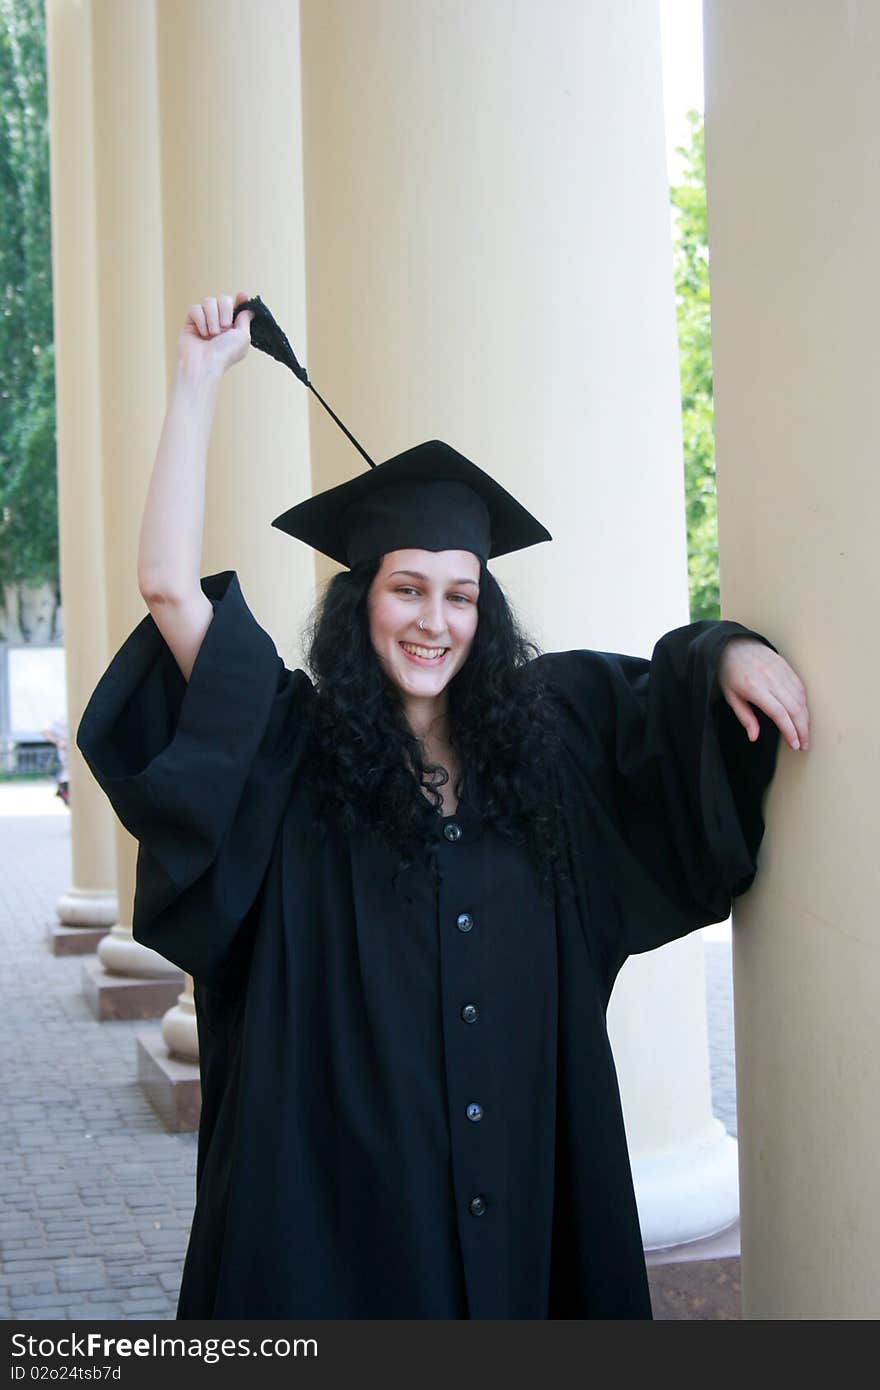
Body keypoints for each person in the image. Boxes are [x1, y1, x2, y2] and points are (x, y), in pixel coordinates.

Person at [76, 292, 810, 1320]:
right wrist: (198, 383)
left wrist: (726, 648)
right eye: (405, 589)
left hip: (518, 1185)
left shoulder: (548, 742)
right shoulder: (291, 749)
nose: (433, 620)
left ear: (484, 609)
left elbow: (667, 704)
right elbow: (167, 588)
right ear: (359, 601)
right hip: (341, 1209)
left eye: (458, 594)